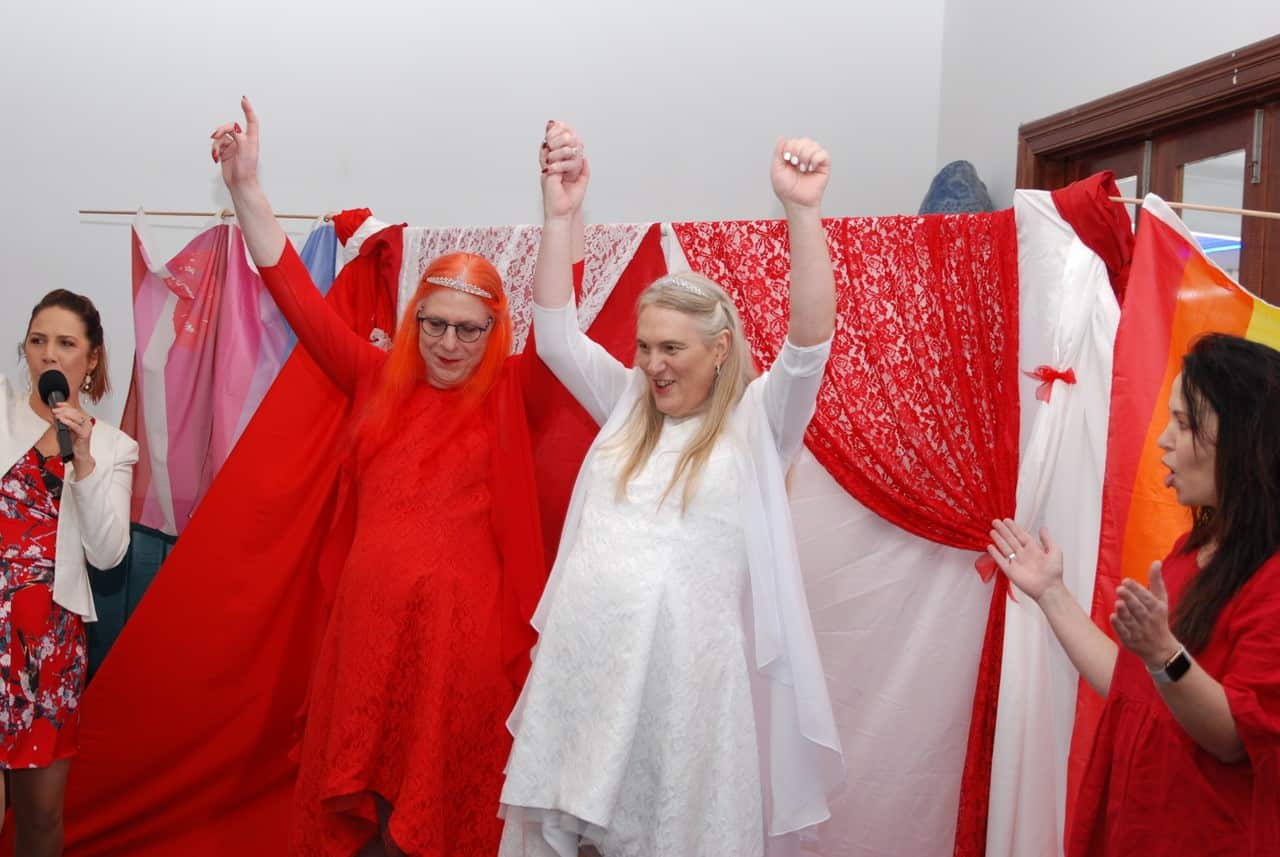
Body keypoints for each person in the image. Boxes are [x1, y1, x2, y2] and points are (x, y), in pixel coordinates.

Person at [210, 101, 583, 856]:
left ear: (495, 331)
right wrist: (248, 188)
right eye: (434, 323)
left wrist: (561, 213)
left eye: (468, 328)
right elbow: (295, 295)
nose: (448, 342)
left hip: (459, 651)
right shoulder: (376, 378)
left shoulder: (516, 392)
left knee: (439, 813)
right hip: (368, 637)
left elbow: (559, 318)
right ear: (414, 321)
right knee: (365, 823)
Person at [498, 129, 844, 857]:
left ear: (719, 350)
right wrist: (560, 216)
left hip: (682, 690)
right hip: (588, 674)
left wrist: (802, 214)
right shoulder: (625, 401)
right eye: (645, 346)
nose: (653, 365)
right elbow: (556, 335)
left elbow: (809, 344)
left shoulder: (755, 426)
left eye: (672, 348)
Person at [988, 333, 1280, 856]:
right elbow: (1134, 684)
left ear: (1246, 440)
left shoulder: (1271, 577)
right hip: (1138, 827)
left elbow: (1234, 736)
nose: (1165, 440)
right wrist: (1051, 594)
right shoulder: (1192, 551)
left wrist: (1165, 654)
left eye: (1186, 424)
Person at [0, 290, 136, 856]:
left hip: (48, 646)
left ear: (92, 358)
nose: (48, 355)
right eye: (37, 341)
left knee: (39, 818)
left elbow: (107, 555)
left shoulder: (112, 446)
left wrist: (82, 458)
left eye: (64, 343)